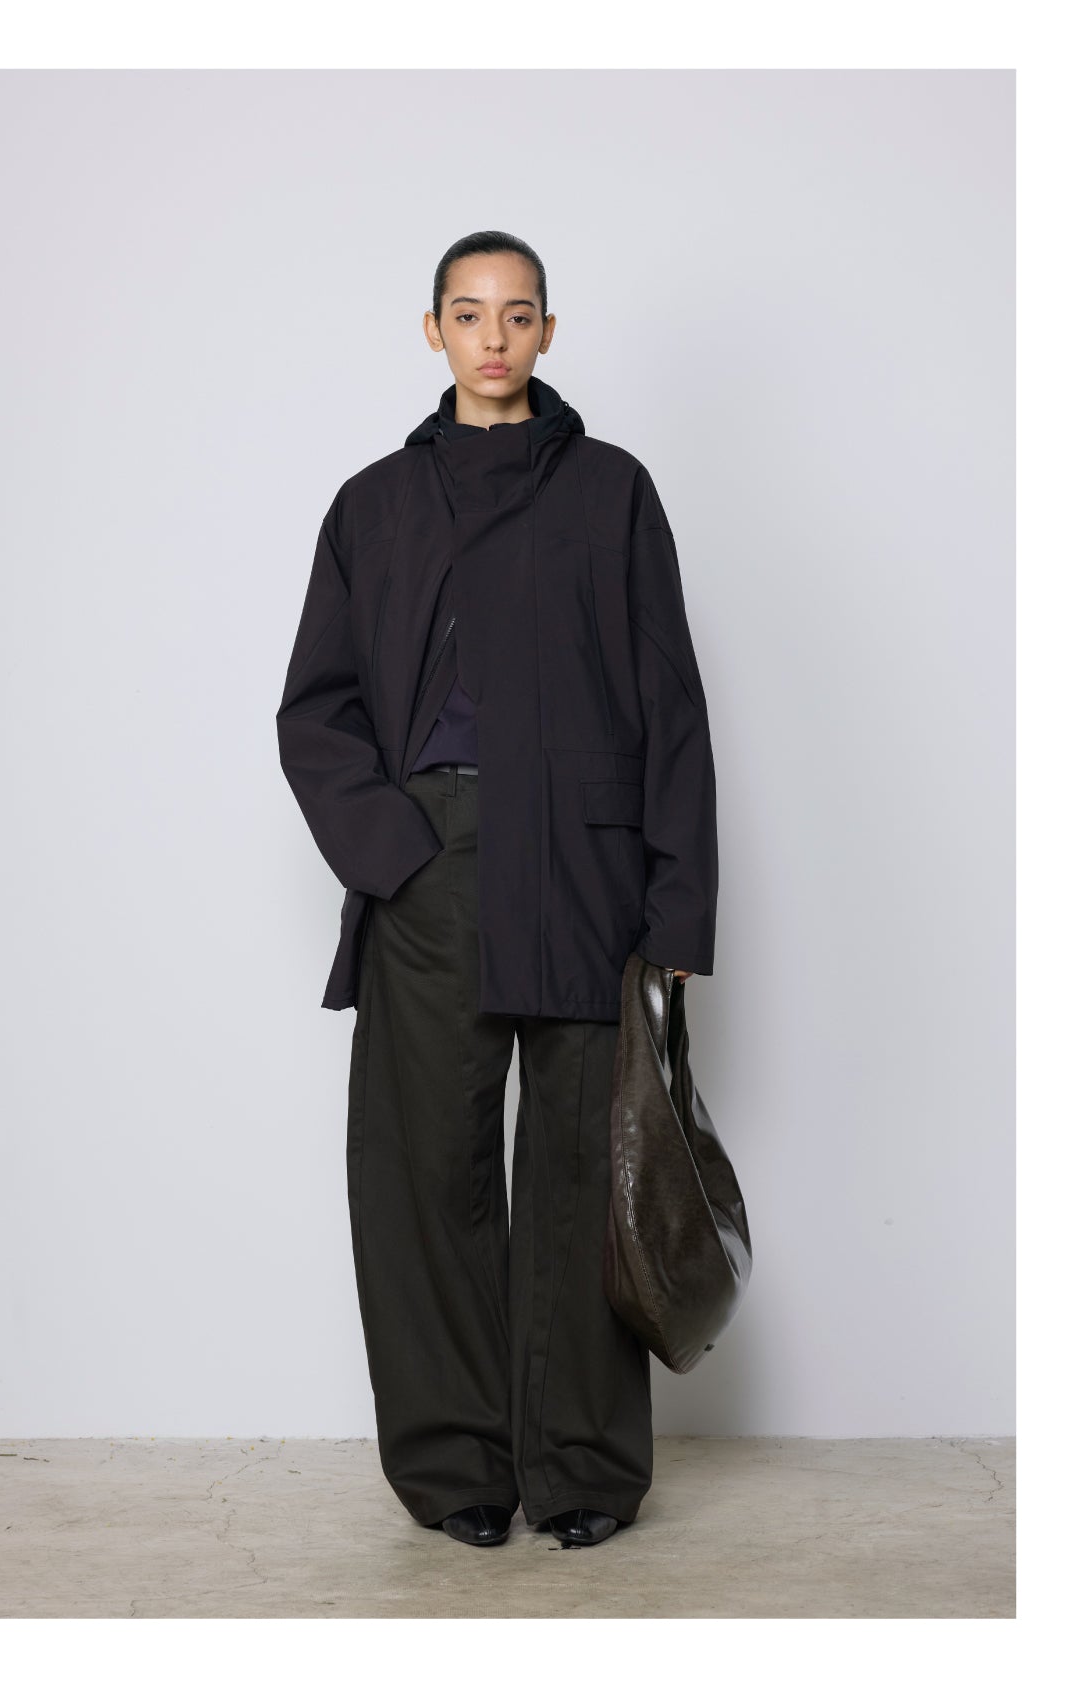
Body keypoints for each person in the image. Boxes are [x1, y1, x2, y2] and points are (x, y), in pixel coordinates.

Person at [277, 230, 718, 1550]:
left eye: (516, 314)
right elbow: (315, 711)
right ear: (434, 331)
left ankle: (580, 1467)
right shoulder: (373, 505)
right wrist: (394, 854)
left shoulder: (613, 491)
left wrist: (677, 909)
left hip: (584, 862)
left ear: (547, 331)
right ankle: (456, 1464)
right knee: (429, 1169)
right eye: (468, 314)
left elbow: (672, 705)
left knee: (585, 1168)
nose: (493, 338)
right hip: (432, 866)